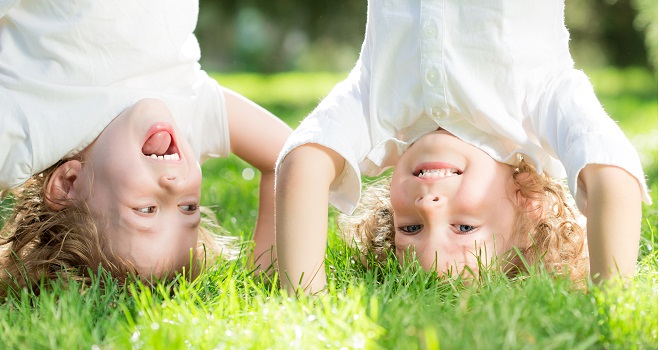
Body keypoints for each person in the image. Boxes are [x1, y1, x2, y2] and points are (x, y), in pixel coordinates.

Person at [275, 0, 651, 294]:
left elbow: (302, 164)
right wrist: (609, 302)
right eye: (463, 227)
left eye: (410, 229)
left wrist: (307, 303)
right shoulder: (539, 101)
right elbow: (613, 172)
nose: (428, 206)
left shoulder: (378, 104)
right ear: (529, 203)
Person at [0, 0, 291, 295]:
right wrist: (263, 284)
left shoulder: (30, 131)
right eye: (189, 207)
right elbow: (287, 157)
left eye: (147, 209)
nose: (174, 183)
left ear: (69, 184)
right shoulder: (188, 114)